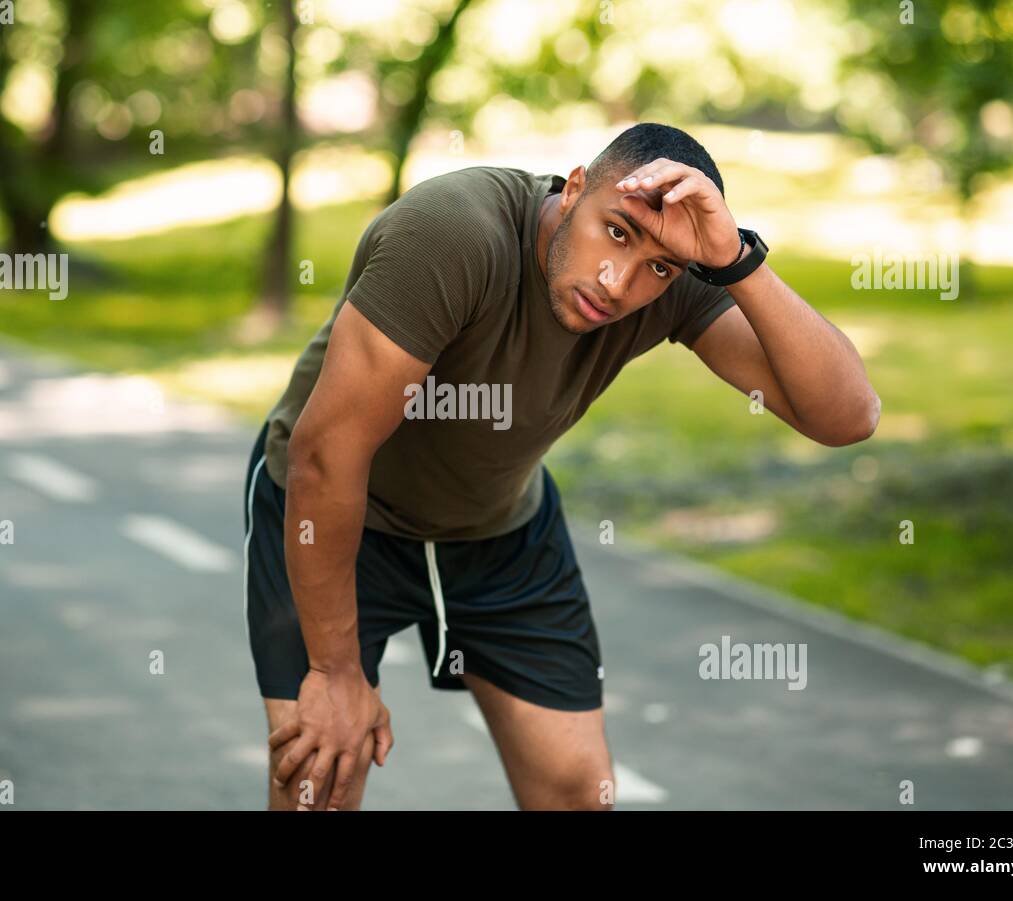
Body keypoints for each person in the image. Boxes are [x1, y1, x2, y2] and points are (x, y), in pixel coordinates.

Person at [243, 122, 880, 810]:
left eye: (659, 266)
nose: (618, 281)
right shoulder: (451, 233)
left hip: (499, 528)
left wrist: (735, 262)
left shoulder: (671, 278)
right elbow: (327, 454)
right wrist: (335, 671)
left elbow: (846, 416)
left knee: (579, 790)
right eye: (616, 231)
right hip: (337, 513)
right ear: (574, 188)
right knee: (321, 782)